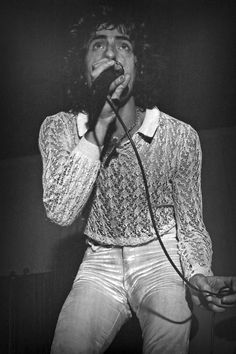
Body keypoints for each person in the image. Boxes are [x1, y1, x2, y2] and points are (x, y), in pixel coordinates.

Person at [39, 3, 236, 353]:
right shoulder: (59, 129)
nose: (111, 52)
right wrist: (99, 124)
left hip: (160, 257)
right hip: (98, 260)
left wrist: (197, 273)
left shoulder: (178, 136)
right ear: (83, 64)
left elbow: (190, 223)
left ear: (137, 64)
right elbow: (60, 211)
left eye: (123, 44)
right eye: (99, 43)